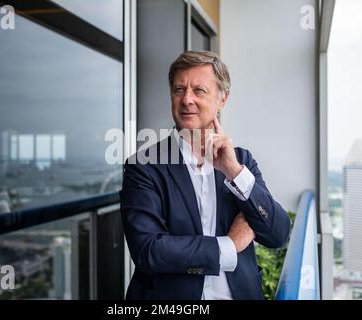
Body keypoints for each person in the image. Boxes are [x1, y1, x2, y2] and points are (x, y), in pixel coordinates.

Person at [120, 51, 290, 300]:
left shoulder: (242, 162)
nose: (186, 99)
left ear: (223, 99)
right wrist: (230, 246)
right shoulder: (143, 166)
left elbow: (277, 234)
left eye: (199, 90)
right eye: (179, 90)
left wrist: (234, 172)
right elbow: (150, 250)